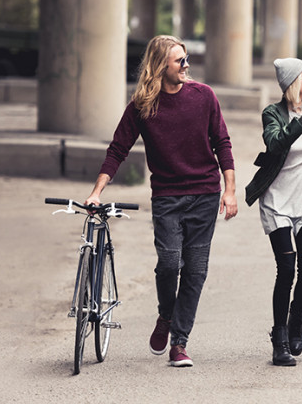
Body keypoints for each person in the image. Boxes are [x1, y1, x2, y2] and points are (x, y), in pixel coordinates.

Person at [84, 35, 238, 368]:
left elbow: (222, 143)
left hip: (205, 195)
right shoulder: (143, 105)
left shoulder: (204, 96)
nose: (186, 65)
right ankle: (166, 315)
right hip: (167, 197)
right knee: (169, 264)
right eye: (179, 60)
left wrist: (230, 189)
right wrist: (97, 191)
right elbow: (117, 150)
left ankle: (179, 343)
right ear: (160, 66)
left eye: (186, 59)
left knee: (195, 271)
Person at [245, 58, 302, 366]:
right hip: (276, 201)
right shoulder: (273, 114)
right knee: (286, 270)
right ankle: (280, 338)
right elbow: (275, 144)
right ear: (292, 83)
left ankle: (295, 317)